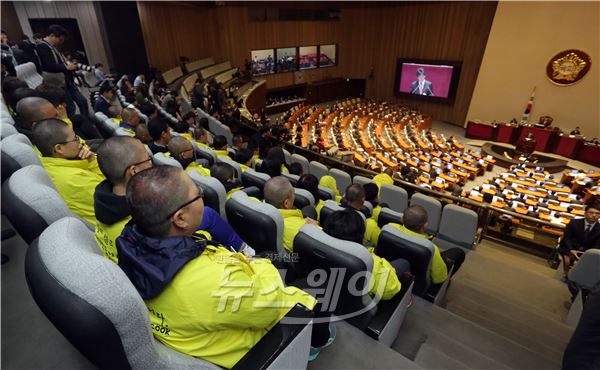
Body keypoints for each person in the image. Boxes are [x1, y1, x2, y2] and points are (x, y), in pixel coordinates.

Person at [116, 166, 327, 367]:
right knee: (317, 288)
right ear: (180, 218)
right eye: (197, 194)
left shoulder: (131, 248)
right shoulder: (215, 281)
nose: (202, 197)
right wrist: (259, 265)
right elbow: (271, 306)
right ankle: (316, 343)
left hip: (204, 321)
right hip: (255, 345)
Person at [323, 209, 409, 300]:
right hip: (359, 305)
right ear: (362, 238)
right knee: (403, 263)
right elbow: (392, 290)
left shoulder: (312, 244)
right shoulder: (369, 262)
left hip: (328, 292)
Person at [31, 119, 105, 224]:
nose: (81, 144)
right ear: (59, 148)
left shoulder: (46, 160)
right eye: (75, 139)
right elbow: (116, 196)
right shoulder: (75, 179)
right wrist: (93, 163)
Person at [389, 205, 465, 284]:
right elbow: (439, 279)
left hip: (391, 271)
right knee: (458, 252)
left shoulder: (389, 227)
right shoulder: (430, 248)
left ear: (402, 219)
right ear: (425, 226)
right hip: (418, 285)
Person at [36, 25, 90, 118]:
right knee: (70, 107)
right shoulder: (42, 46)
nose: (61, 42)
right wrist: (66, 67)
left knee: (82, 101)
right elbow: (47, 66)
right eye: (60, 39)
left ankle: (86, 122)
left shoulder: (52, 46)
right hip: (58, 82)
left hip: (67, 81)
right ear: (52, 35)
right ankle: (74, 128)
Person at [264, 176, 318, 253]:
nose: (294, 196)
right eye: (293, 193)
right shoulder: (303, 229)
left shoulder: (254, 207)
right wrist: (316, 229)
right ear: (286, 203)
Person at [558, 204, 600, 278]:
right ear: (585, 213)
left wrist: (586, 253)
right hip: (570, 248)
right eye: (591, 212)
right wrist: (571, 249)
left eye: (597, 213)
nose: (594, 215)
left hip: (587, 252)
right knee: (569, 259)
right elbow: (567, 238)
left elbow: (597, 244)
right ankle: (567, 275)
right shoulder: (574, 222)